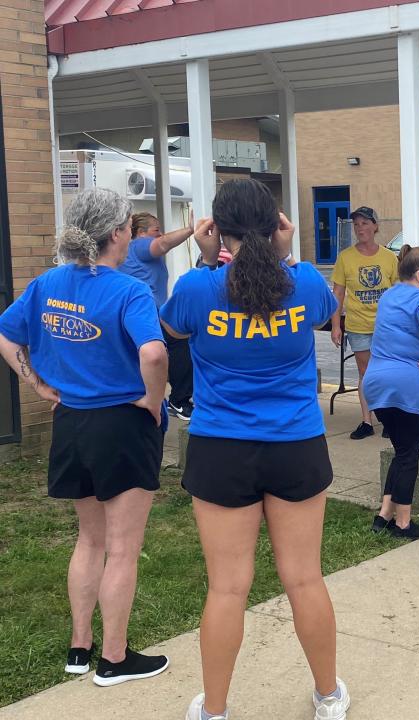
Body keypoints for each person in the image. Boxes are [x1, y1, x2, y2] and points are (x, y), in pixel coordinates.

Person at [160, 180, 348, 720]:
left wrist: (203, 257)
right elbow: (314, 306)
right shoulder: (306, 282)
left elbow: (173, 329)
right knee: (304, 578)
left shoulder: (197, 289)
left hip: (222, 448)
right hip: (295, 444)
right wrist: (284, 252)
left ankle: (214, 710)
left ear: (217, 229)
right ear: (275, 226)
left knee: (227, 589)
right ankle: (328, 697)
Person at [0, 188, 170, 686]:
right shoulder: (128, 290)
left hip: (70, 422)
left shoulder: (46, 283)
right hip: (121, 423)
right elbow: (155, 355)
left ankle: (80, 648)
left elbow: (8, 336)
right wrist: (155, 401)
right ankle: (114, 659)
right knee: (122, 547)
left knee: (89, 540)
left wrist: (35, 382)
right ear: (118, 233)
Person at [363, 246, 419, 539]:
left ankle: (383, 516)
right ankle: (404, 524)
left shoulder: (389, 296)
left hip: (378, 385)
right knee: (410, 454)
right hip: (410, 389)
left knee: (401, 450)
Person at [119, 211, 196, 420]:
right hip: (148, 312)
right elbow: (162, 244)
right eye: (156, 230)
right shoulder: (139, 245)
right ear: (141, 233)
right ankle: (178, 401)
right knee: (180, 339)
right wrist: (191, 229)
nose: (160, 234)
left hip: (142, 312)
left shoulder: (130, 251)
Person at [330, 206, 398, 440]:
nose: (361, 228)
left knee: (387, 372)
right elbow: (338, 293)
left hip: (386, 326)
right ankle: (366, 420)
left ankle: (389, 419)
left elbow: (399, 292)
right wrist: (336, 324)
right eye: (357, 224)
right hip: (358, 324)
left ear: (375, 226)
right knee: (366, 373)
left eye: (365, 223)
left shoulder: (389, 257)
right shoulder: (345, 257)